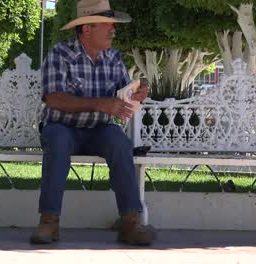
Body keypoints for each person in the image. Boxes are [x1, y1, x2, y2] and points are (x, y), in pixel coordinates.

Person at [30, 0, 155, 245]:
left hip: (99, 130)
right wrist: (99, 103)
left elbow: (122, 94)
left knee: (119, 142)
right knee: (56, 141)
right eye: (107, 25)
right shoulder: (60, 53)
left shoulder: (114, 57)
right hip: (62, 126)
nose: (113, 30)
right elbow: (53, 98)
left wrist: (138, 92)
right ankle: (48, 222)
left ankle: (130, 223)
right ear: (87, 29)